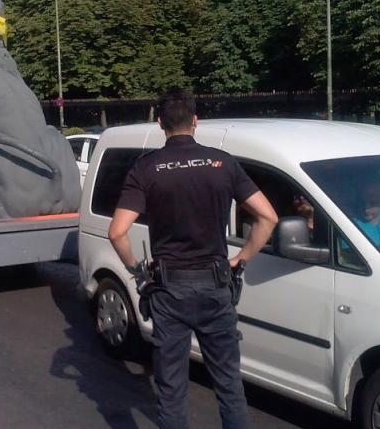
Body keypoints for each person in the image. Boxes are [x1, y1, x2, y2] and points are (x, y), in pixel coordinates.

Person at [108, 89, 278, 429]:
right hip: (216, 286)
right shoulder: (222, 163)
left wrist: (135, 270)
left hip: (170, 291)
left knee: (172, 391)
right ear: (195, 122)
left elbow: (117, 232)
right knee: (229, 386)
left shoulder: (146, 168)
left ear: (160, 124)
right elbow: (268, 217)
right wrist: (241, 258)